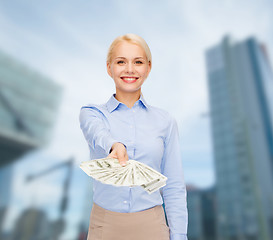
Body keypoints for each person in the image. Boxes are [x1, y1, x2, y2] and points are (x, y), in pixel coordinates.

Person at [79, 33, 188, 240]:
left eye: (137, 62)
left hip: (153, 226)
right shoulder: (93, 113)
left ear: (148, 67)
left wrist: (180, 235)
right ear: (109, 67)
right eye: (121, 62)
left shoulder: (165, 121)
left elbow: (174, 186)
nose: (130, 69)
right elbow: (96, 133)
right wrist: (114, 145)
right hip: (105, 226)